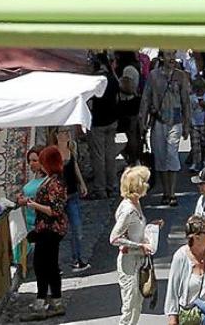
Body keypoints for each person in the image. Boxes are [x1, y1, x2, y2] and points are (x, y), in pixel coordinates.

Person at [19, 146, 68, 320]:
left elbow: (55, 210)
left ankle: (41, 304)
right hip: (45, 228)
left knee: (43, 266)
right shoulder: (50, 180)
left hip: (50, 229)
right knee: (49, 266)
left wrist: (33, 205)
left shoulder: (55, 183)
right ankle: (55, 302)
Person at [110, 166, 161, 325]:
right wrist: (139, 246)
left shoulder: (135, 203)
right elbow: (114, 238)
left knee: (137, 303)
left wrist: (151, 227)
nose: (147, 185)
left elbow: (134, 229)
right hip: (129, 261)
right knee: (130, 304)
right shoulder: (128, 210)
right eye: (144, 182)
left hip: (138, 260)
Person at [139, 50, 191, 206]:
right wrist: (143, 121)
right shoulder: (153, 76)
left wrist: (187, 124)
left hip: (175, 121)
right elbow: (146, 99)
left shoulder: (181, 76)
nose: (172, 58)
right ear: (162, 57)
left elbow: (186, 101)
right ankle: (166, 192)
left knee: (172, 155)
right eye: (168, 55)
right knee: (160, 157)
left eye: (173, 55)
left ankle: (173, 193)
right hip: (159, 121)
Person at [165, 216, 205, 325]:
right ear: (196, 237)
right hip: (191, 317)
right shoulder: (181, 257)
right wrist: (172, 318)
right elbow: (173, 290)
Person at [49, 127, 90, 272]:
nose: (67, 134)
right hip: (58, 198)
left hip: (72, 195)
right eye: (63, 132)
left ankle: (77, 259)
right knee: (57, 232)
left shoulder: (71, 148)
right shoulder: (52, 153)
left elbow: (75, 166)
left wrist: (82, 183)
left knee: (77, 228)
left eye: (68, 131)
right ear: (56, 135)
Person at [89, 52, 120, 199]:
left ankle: (100, 188)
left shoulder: (94, 80)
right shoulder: (112, 78)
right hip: (112, 120)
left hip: (97, 121)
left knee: (99, 157)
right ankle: (112, 186)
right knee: (110, 156)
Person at [14, 146, 46, 265]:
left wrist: (27, 201)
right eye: (30, 161)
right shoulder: (34, 180)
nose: (31, 164)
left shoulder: (48, 181)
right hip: (29, 223)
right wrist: (21, 197)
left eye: (34, 160)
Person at [189, 77, 205, 173]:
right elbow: (189, 110)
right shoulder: (191, 98)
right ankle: (195, 162)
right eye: (197, 89)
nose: (199, 91)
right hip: (194, 124)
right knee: (195, 145)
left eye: (201, 89)